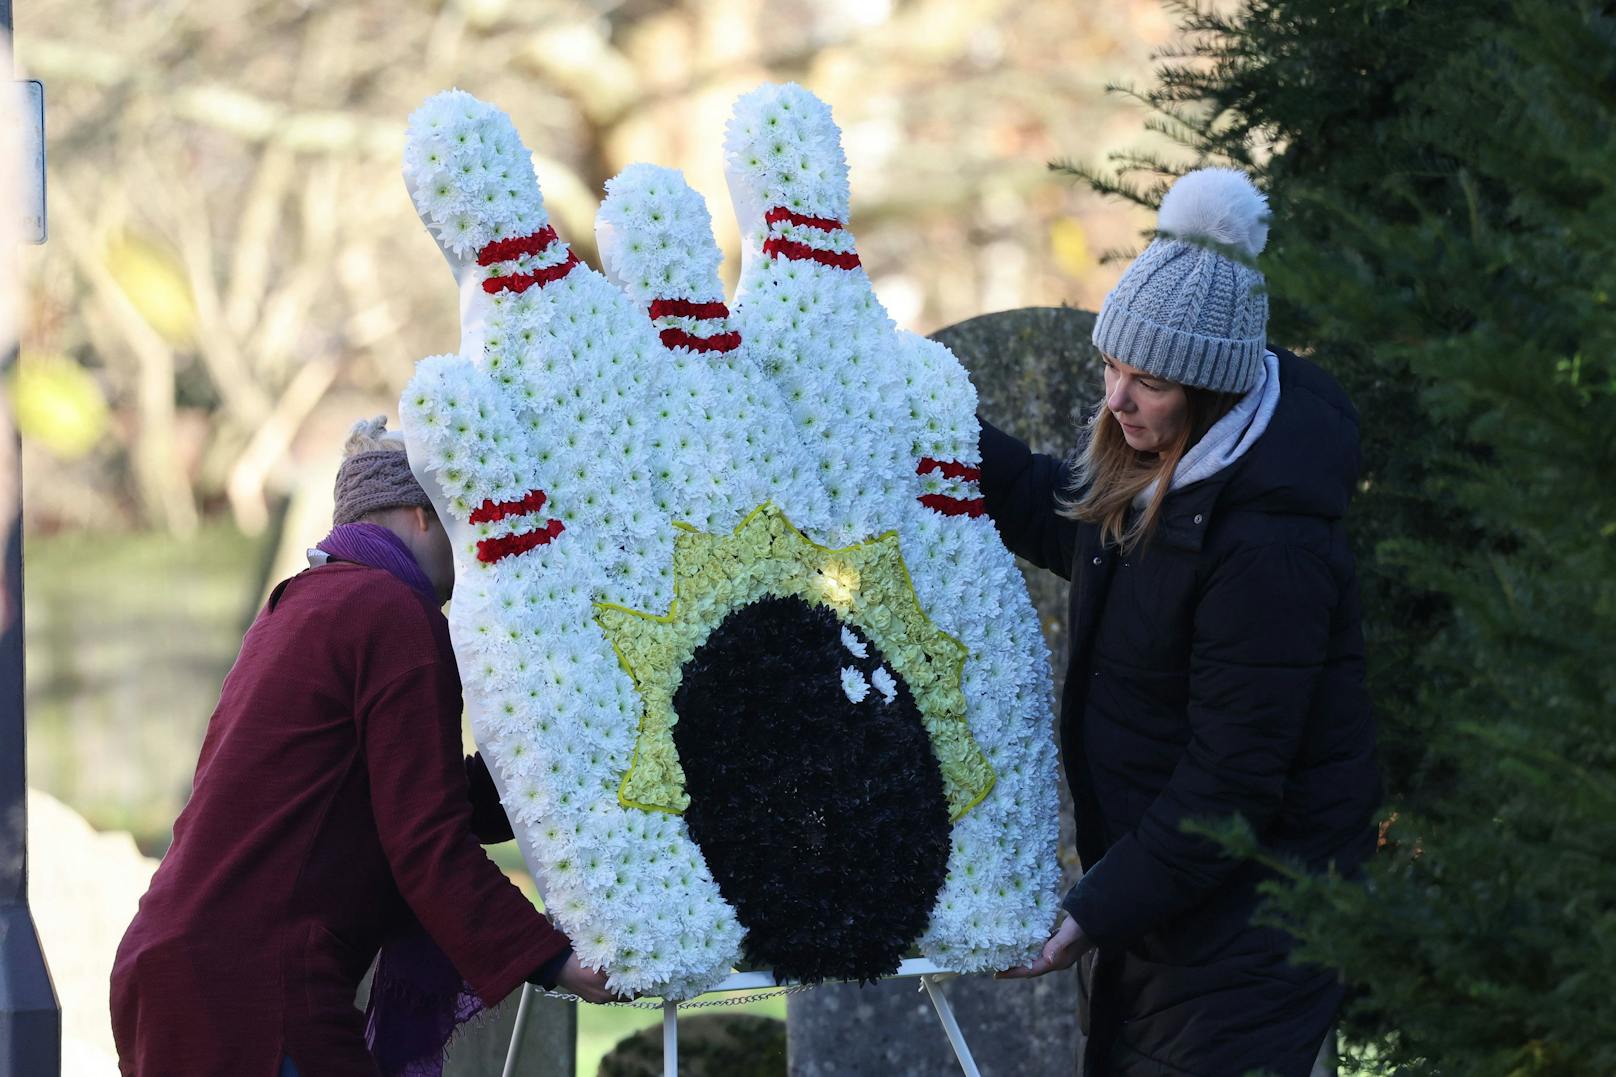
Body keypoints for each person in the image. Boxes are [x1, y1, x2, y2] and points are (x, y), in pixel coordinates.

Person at [990, 170, 1378, 1075]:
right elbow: (1059, 512)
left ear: (1210, 391)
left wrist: (1088, 914)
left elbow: (1232, 777)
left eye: (1148, 382)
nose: (1116, 399)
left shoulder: (1269, 544)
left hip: (1252, 919)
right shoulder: (1172, 471)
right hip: (1167, 895)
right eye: (1110, 366)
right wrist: (917, 416)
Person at [111, 417, 616, 1077]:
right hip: (252, 988)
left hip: (175, 966)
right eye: (466, 523)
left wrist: (533, 770)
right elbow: (426, 843)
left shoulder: (301, 603)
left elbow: (391, 800)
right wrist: (557, 960)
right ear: (424, 516)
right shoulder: (393, 614)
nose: (478, 555)